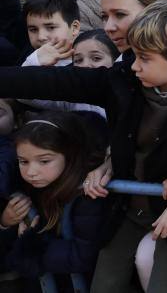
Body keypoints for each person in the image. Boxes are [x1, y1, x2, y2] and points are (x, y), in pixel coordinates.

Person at [0, 0, 167, 292]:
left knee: (163, 284)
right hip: (128, 211)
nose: (134, 65)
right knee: (105, 284)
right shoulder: (124, 80)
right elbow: (56, 81)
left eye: (145, 59)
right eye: (134, 55)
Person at [0, 113, 107, 287]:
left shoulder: (89, 193)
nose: (31, 172)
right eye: (23, 161)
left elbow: (83, 255)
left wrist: (29, 245)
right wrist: (5, 222)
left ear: (69, 155)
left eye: (44, 161)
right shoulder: (23, 187)